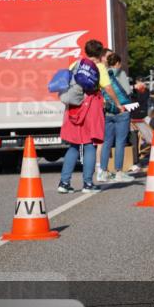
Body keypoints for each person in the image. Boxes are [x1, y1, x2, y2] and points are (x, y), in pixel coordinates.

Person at [57, 40, 106, 194]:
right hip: (89, 109)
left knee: (74, 145)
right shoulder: (98, 67)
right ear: (99, 54)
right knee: (90, 144)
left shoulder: (75, 65)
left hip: (73, 108)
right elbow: (106, 86)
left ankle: (64, 183)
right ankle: (88, 183)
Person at [97, 52, 135, 182]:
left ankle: (103, 171)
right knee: (120, 142)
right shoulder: (120, 73)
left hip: (108, 111)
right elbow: (127, 91)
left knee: (107, 142)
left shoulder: (103, 73)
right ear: (118, 63)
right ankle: (119, 172)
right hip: (122, 110)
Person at [129, 81, 152, 171]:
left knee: (148, 139)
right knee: (134, 140)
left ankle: (136, 161)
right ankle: (135, 161)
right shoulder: (136, 91)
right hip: (136, 119)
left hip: (139, 119)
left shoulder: (144, 92)